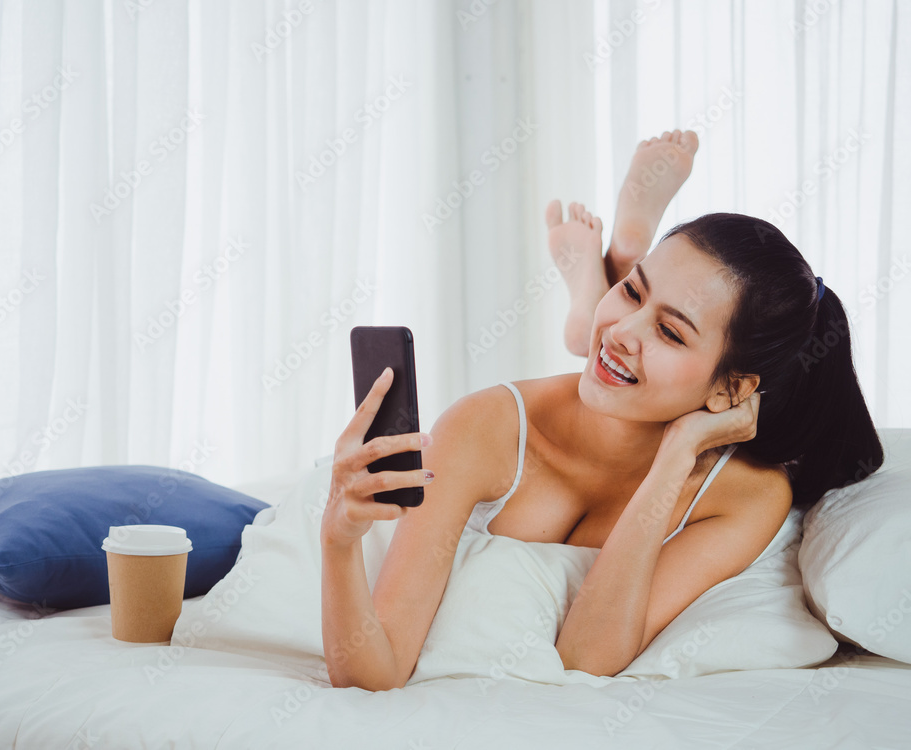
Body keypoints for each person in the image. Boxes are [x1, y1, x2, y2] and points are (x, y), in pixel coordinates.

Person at [320, 130, 884, 691]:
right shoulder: (481, 426)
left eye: (669, 330)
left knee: (597, 348)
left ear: (732, 392)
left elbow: (586, 656)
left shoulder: (746, 495)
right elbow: (378, 668)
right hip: (559, 412)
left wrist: (676, 458)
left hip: (665, 415)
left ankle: (612, 273)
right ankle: (616, 268)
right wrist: (338, 539)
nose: (622, 331)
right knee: (597, 344)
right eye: (634, 292)